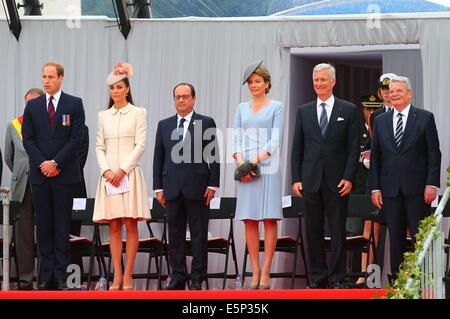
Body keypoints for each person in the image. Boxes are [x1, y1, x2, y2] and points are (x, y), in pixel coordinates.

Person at [291, 63, 360, 289]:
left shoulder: (348, 110)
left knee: (338, 231)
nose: (318, 83)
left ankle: (338, 278)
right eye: (316, 80)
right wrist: (296, 178)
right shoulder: (304, 110)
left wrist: (349, 177)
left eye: (323, 79)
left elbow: (353, 148)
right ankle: (318, 278)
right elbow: (297, 149)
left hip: (338, 182)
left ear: (333, 82)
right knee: (313, 232)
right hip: (310, 181)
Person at [22, 62, 86, 290]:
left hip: (63, 175)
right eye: (43, 77)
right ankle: (45, 276)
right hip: (40, 176)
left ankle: (61, 276)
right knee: (44, 226)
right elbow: (27, 139)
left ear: (61, 78)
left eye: (50, 77)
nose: (46, 81)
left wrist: (56, 162)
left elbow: (76, 138)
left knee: (61, 226)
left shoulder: (74, 103)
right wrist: (43, 163)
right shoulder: (33, 107)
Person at [370, 76, 441, 280]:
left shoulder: (425, 117)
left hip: (418, 189)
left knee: (419, 237)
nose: (394, 94)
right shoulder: (380, 120)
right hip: (390, 189)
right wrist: (375, 188)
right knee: (396, 238)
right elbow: (376, 156)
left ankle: (418, 281)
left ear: (410, 93)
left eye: (399, 91)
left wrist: (431, 184)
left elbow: (433, 153)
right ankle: (397, 282)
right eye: (391, 91)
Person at [153, 82, 220, 290]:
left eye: (185, 96)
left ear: (193, 99)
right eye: (177, 97)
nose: (180, 100)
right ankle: (178, 276)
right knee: (175, 235)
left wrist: (213, 184)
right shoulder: (164, 125)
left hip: (198, 187)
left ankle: (197, 277)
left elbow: (214, 156)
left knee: (199, 234)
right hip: (171, 187)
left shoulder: (206, 122)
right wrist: (158, 187)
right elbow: (158, 157)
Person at [93, 62, 150, 290]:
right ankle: (116, 274)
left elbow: (141, 144)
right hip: (109, 177)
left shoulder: (139, 112)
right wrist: (106, 170)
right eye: (112, 88)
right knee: (114, 226)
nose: (115, 91)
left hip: (129, 174)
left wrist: (122, 170)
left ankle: (128, 275)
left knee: (131, 224)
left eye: (119, 87)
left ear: (127, 88)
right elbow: (98, 146)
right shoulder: (103, 115)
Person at [232, 60, 284, 290]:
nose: (254, 85)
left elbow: (276, 138)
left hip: (267, 165)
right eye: (251, 82)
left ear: (267, 83)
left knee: (269, 218)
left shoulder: (277, 107)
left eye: (258, 81)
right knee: (249, 219)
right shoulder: (241, 108)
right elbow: (235, 138)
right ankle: (254, 270)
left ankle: (267, 270)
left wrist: (253, 162)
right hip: (245, 168)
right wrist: (242, 164)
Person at [4, 88, 44, 290]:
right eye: (29, 102)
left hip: (45, 183)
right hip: (22, 187)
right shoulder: (13, 125)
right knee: (23, 235)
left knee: (46, 233)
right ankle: (26, 280)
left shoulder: (49, 125)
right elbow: (8, 158)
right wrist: (23, 172)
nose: (32, 106)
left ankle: (45, 279)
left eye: (36, 102)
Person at [346, 94, 383, 288]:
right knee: (355, 234)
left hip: (377, 188)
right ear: (363, 110)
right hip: (358, 189)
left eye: (375, 109)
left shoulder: (383, 127)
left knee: (374, 234)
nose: (371, 113)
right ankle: (361, 275)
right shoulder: (356, 130)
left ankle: (372, 278)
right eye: (368, 109)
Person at [70, 124, 89, 269]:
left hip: (75, 190)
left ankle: (75, 278)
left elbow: (80, 160)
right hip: (53, 189)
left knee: (74, 235)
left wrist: (58, 167)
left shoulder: (82, 129)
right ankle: (57, 277)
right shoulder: (51, 128)